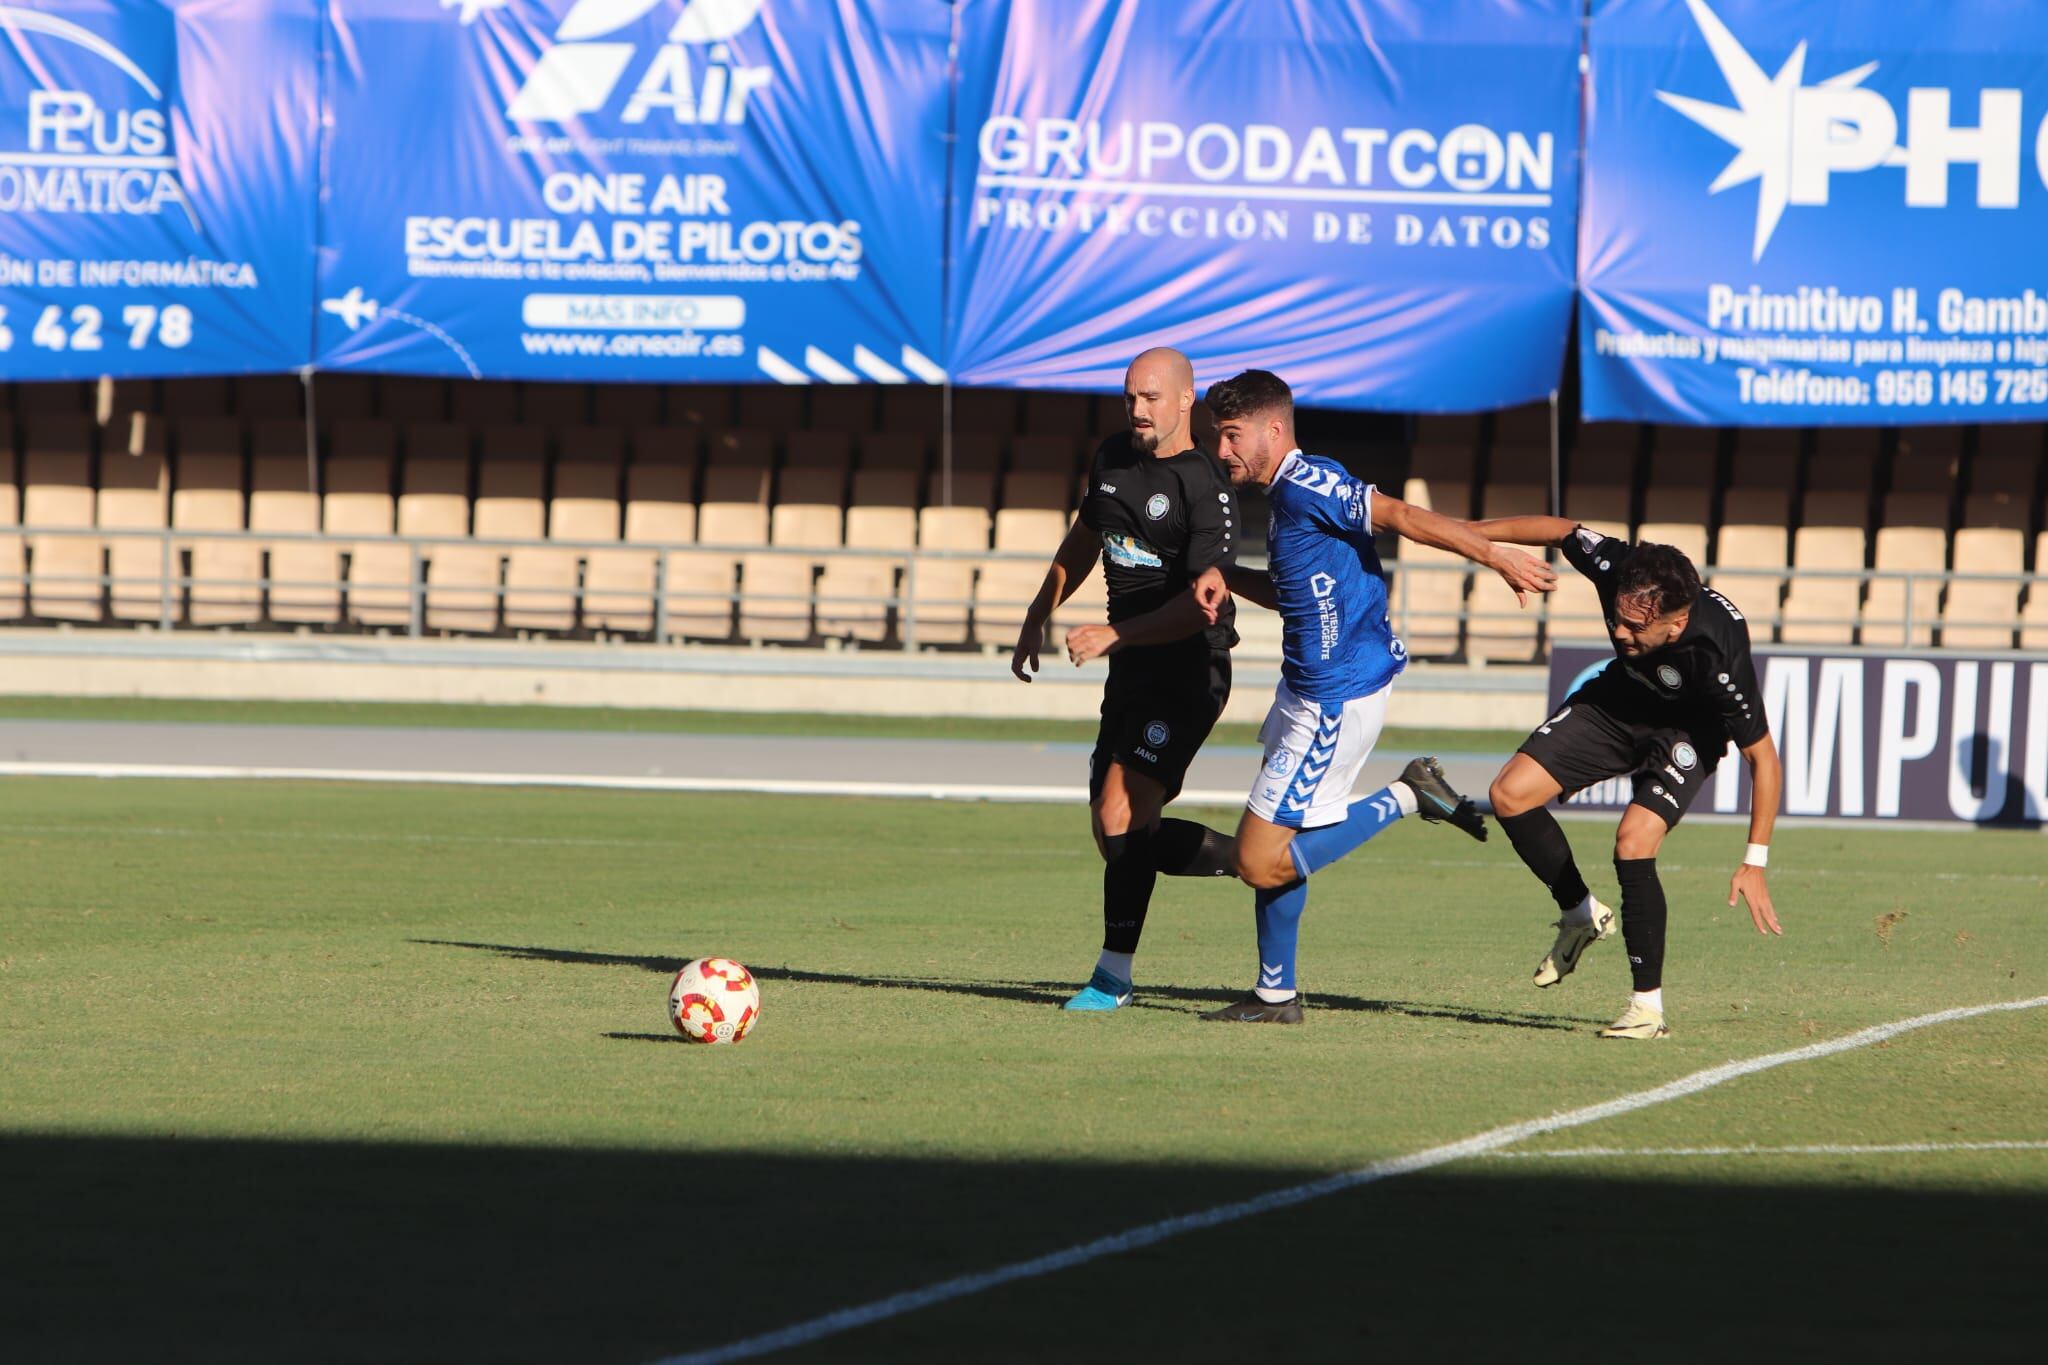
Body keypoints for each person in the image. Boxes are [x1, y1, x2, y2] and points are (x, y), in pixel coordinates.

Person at [1190, 370, 1557, 1022]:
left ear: (1274, 429)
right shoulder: (1288, 499)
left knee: (1256, 858)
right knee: (1280, 847)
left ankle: (1409, 793)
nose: (1223, 452)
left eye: (1231, 436)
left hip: (1334, 700)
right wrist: (1231, 577)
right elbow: (1298, 591)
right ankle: (1276, 994)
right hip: (1309, 691)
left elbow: (1406, 517)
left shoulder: (1309, 484)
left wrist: (1494, 556)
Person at [1470, 517, 1783, 1040]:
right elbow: (1561, 529)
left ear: (1675, 625)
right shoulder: (1622, 569)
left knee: (1633, 842)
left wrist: (1755, 861)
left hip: (1687, 729)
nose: (1619, 632)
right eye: (1618, 619)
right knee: (1509, 794)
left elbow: (1764, 760)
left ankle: (1646, 1009)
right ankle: (1578, 913)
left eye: (1636, 628)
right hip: (1617, 703)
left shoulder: (1719, 651)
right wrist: (1466, 534)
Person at [1010, 347, 1242, 1012]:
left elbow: (1204, 602)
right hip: (1133, 667)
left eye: (1151, 397)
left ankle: (1112, 978)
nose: (1138, 409)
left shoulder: (1205, 486)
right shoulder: (1112, 457)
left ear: (1184, 400)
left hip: (1191, 667)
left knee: (1125, 811)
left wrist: (1118, 631)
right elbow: (1088, 537)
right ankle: (1255, 862)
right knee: (1112, 834)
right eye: (1130, 396)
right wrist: (1038, 610)